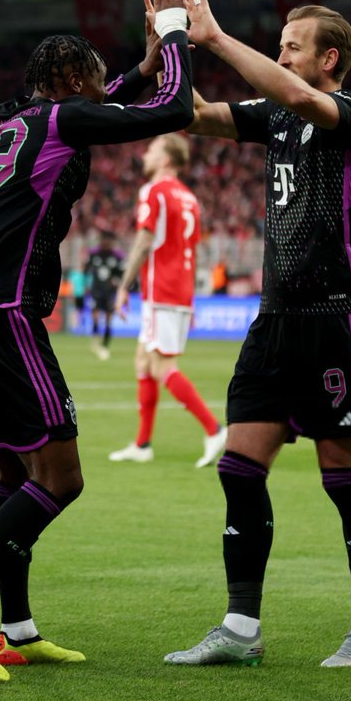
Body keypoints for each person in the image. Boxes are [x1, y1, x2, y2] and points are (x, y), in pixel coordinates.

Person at [0, 0, 194, 683]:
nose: (104, 91)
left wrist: (136, 67)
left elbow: (112, 102)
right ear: (71, 77)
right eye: (95, 79)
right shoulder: (66, 119)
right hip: (2, 312)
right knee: (62, 477)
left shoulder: (11, 118)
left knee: (16, 470)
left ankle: (16, 629)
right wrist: (173, 37)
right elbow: (169, 111)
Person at [163, 0, 351, 668]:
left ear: (328, 57)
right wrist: (170, 46)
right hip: (275, 320)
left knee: (342, 474)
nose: (282, 51)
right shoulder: (277, 116)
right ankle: (239, 628)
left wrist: (217, 37)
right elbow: (195, 117)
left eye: (292, 45)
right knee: (239, 469)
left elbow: (296, 98)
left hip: (335, 317)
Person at [108, 133, 226, 467]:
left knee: (161, 366)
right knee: (143, 361)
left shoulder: (154, 191)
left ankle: (214, 429)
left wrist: (123, 286)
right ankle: (143, 444)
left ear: (166, 160)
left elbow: (145, 241)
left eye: (152, 150)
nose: (145, 154)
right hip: (178, 290)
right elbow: (192, 249)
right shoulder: (189, 198)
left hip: (162, 290)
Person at [83, 228, 124, 360]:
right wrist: (86, 285)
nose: (106, 242)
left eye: (109, 240)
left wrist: (116, 281)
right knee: (95, 316)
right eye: (104, 239)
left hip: (109, 293)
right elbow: (86, 269)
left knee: (108, 320)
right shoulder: (94, 254)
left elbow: (121, 274)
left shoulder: (117, 256)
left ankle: (105, 346)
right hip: (96, 291)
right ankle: (95, 342)